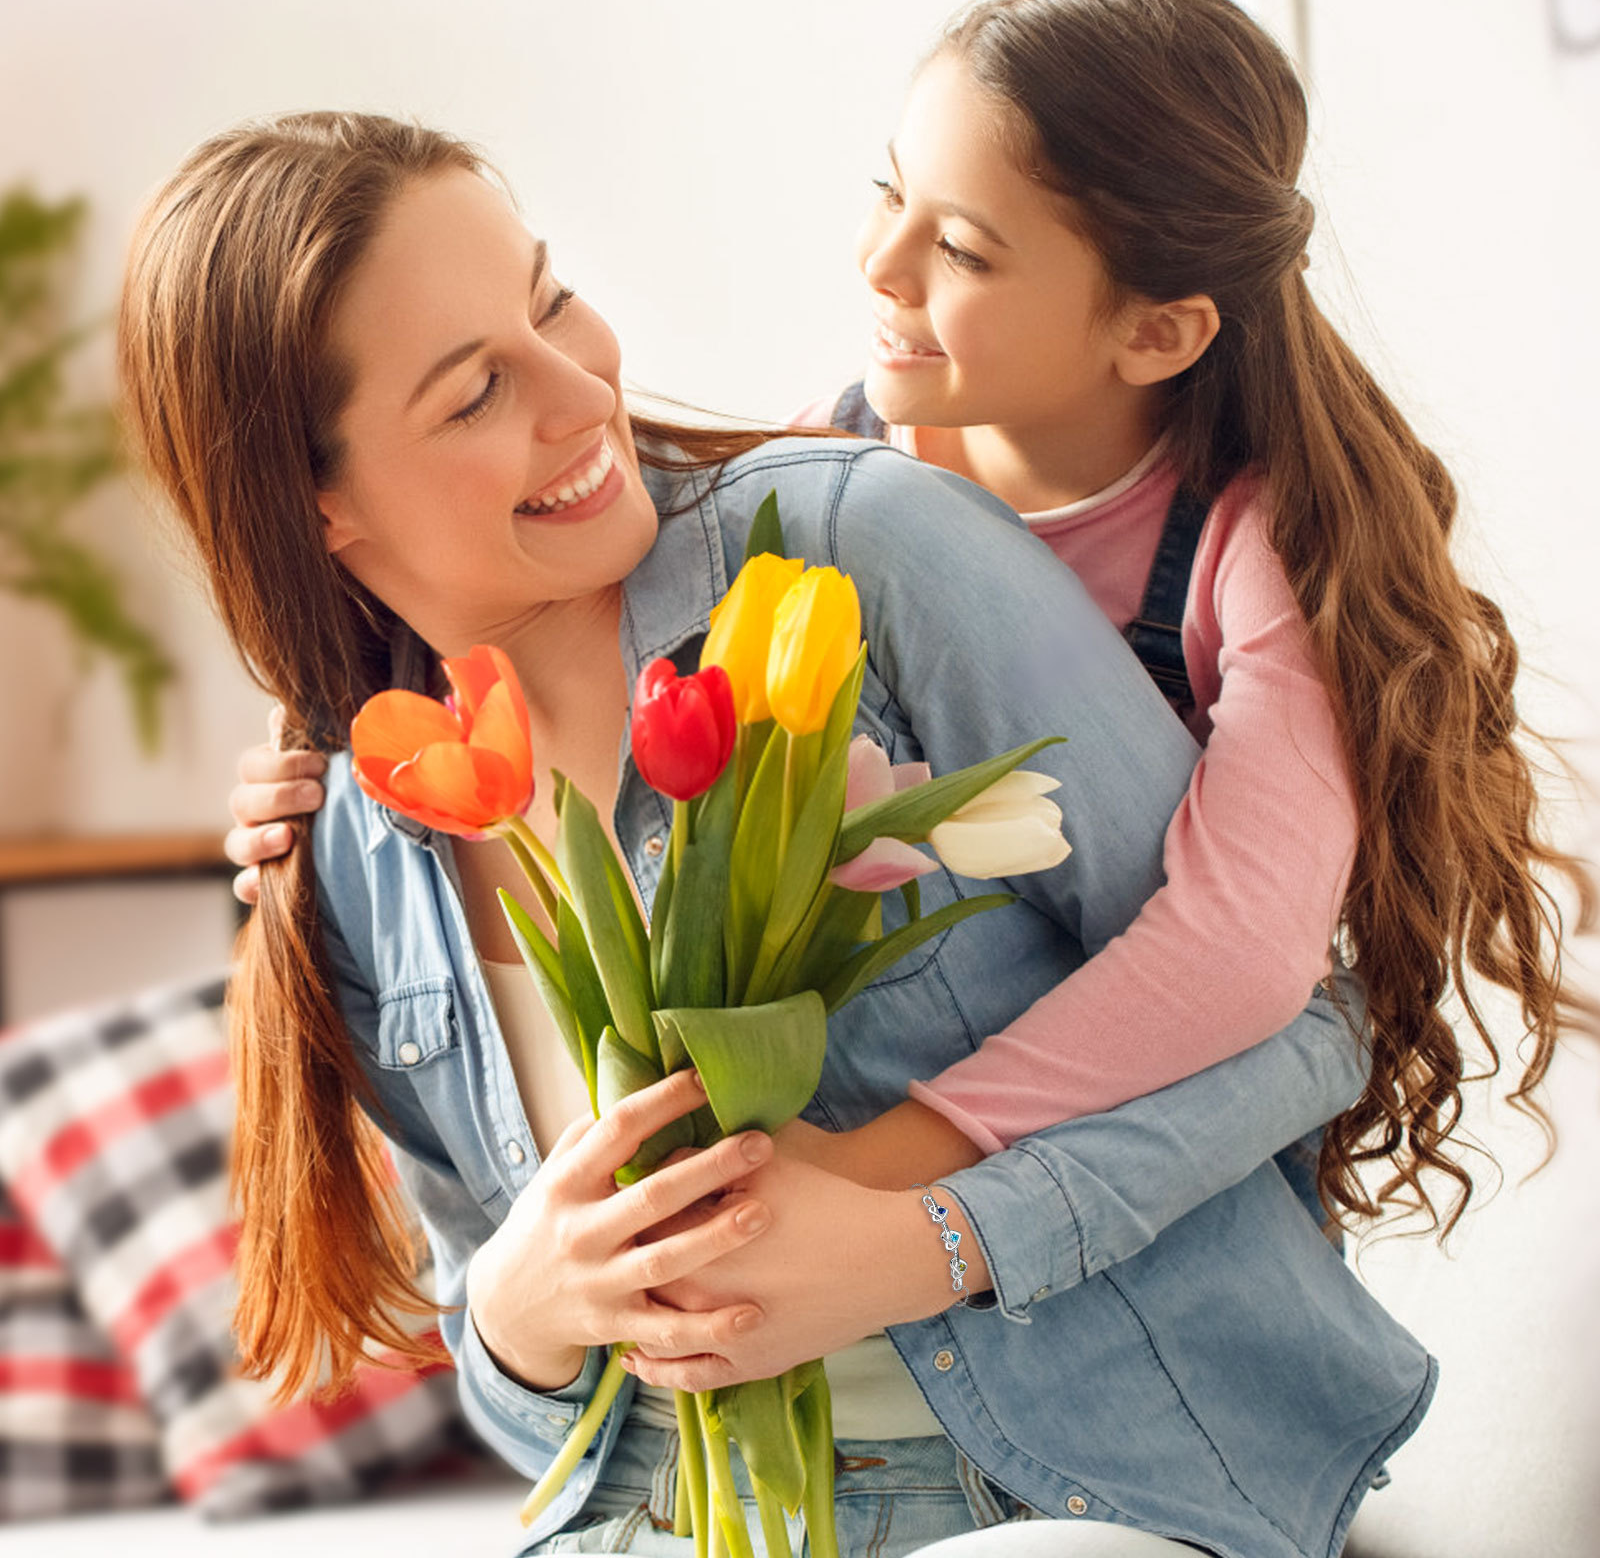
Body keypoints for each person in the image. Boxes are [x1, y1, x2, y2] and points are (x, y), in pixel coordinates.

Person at [121, 112, 1432, 1556]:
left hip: (1075, 1487)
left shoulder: (856, 557)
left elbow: (1295, 1022)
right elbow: (529, 1410)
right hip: (671, 1515)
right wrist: (522, 1309)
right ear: (315, 504)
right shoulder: (362, 833)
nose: (583, 394)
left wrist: (928, 1240)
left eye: (550, 296)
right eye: (477, 390)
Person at [229, 0, 1594, 1244]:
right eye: (890, 194)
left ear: (1157, 333)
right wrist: (328, 737)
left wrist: (892, 1167)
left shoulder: (1254, 549)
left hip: (1140, 1157)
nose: (883, 264)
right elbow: (522, 547)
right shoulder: (835, 475)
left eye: (966, 250)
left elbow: (1243, 957)